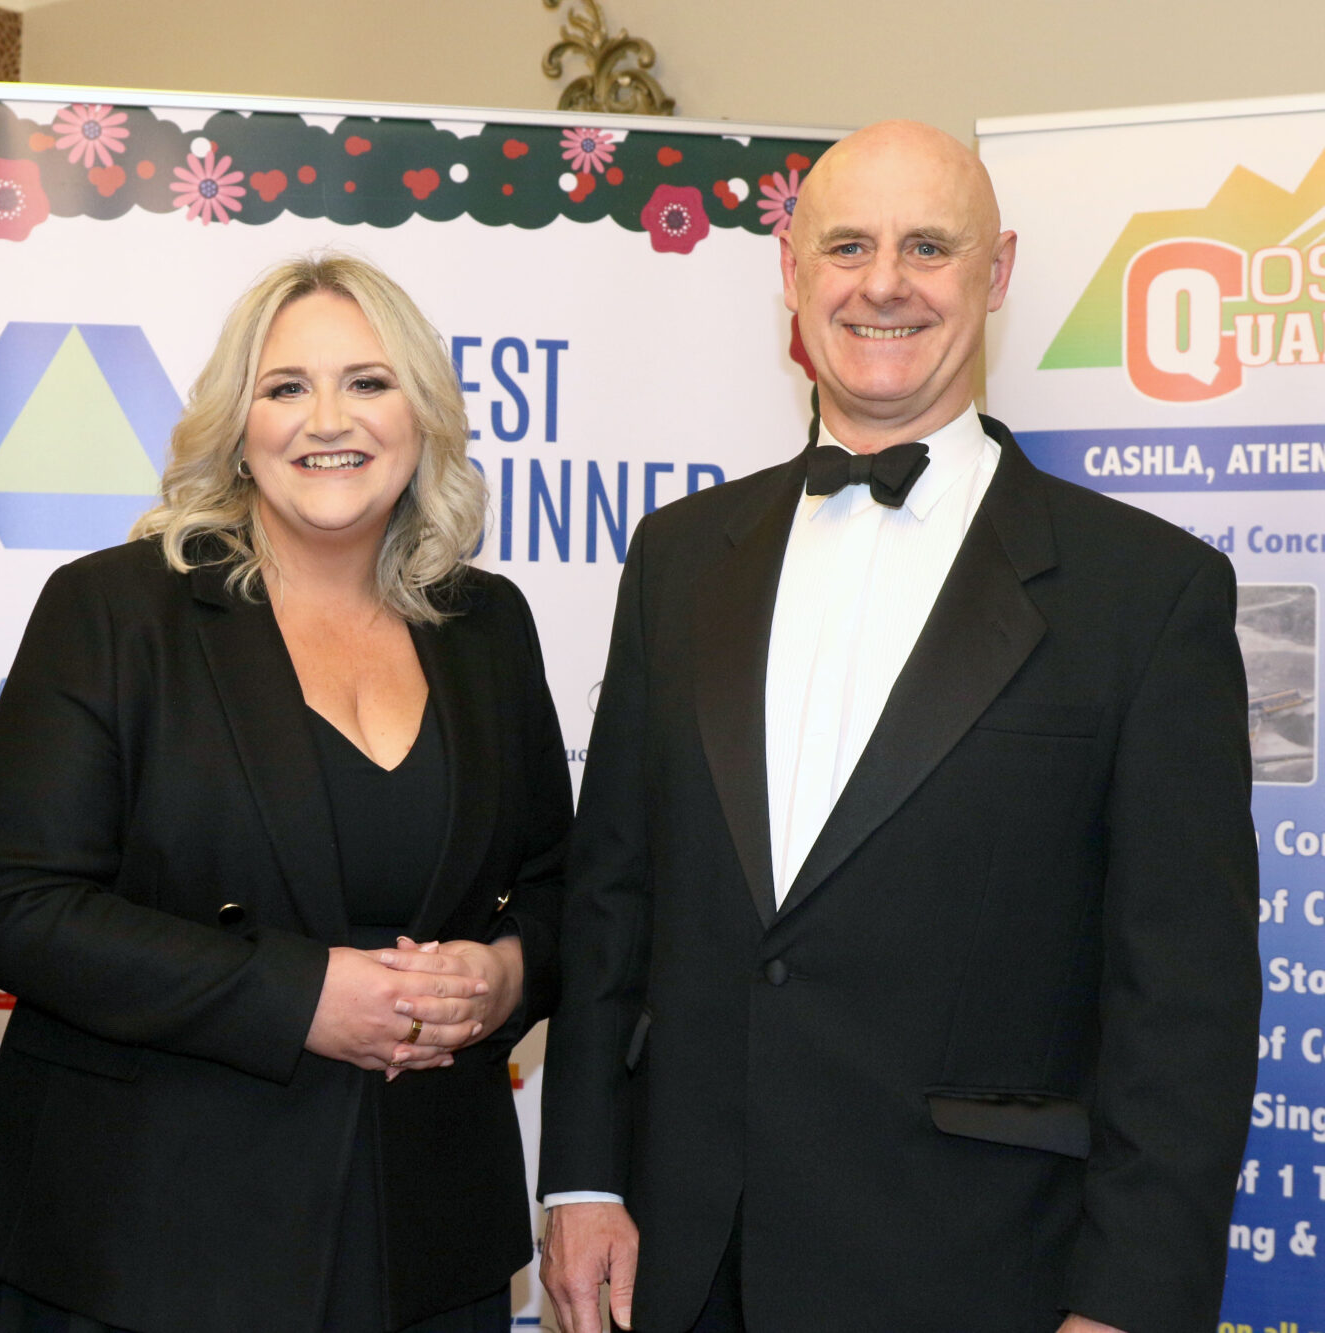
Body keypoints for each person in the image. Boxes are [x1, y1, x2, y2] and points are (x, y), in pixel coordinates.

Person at [539, 121, 1260, 1333]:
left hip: (981, 1269)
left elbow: (1182, 999)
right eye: (847, 246)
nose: (882, 284)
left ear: (997, 270)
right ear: (790, 271)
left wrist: (1130, 1302)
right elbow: (612, 899)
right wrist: (581, 1176)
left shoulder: (1145, 594)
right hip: (687, 1262)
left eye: (927, 246)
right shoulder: (677, 559)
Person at [0, 252, 570, 1333]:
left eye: (368, 382)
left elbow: (565, 889)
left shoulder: (488, 625)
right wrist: (297, 996)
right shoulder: (115, 611)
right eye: (286, 387)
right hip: (145, 1246)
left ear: (422, 415)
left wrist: (505, 975)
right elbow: (15, 908)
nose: (328, 419)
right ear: (237, 429)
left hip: (423, 1243)